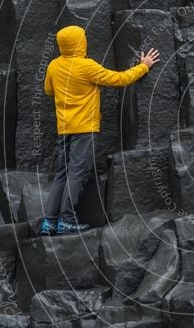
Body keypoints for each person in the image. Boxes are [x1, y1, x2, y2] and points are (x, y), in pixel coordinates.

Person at [40, 25, 160, 236]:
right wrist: (144, 66)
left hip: (64, 128)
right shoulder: (87, 66)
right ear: (79, 43)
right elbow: (119, 79)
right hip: (84, 128)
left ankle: (49, 222)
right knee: (76, 173)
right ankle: (67, 220)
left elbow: (49, 90)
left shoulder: (53, 66)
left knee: (62, 173)